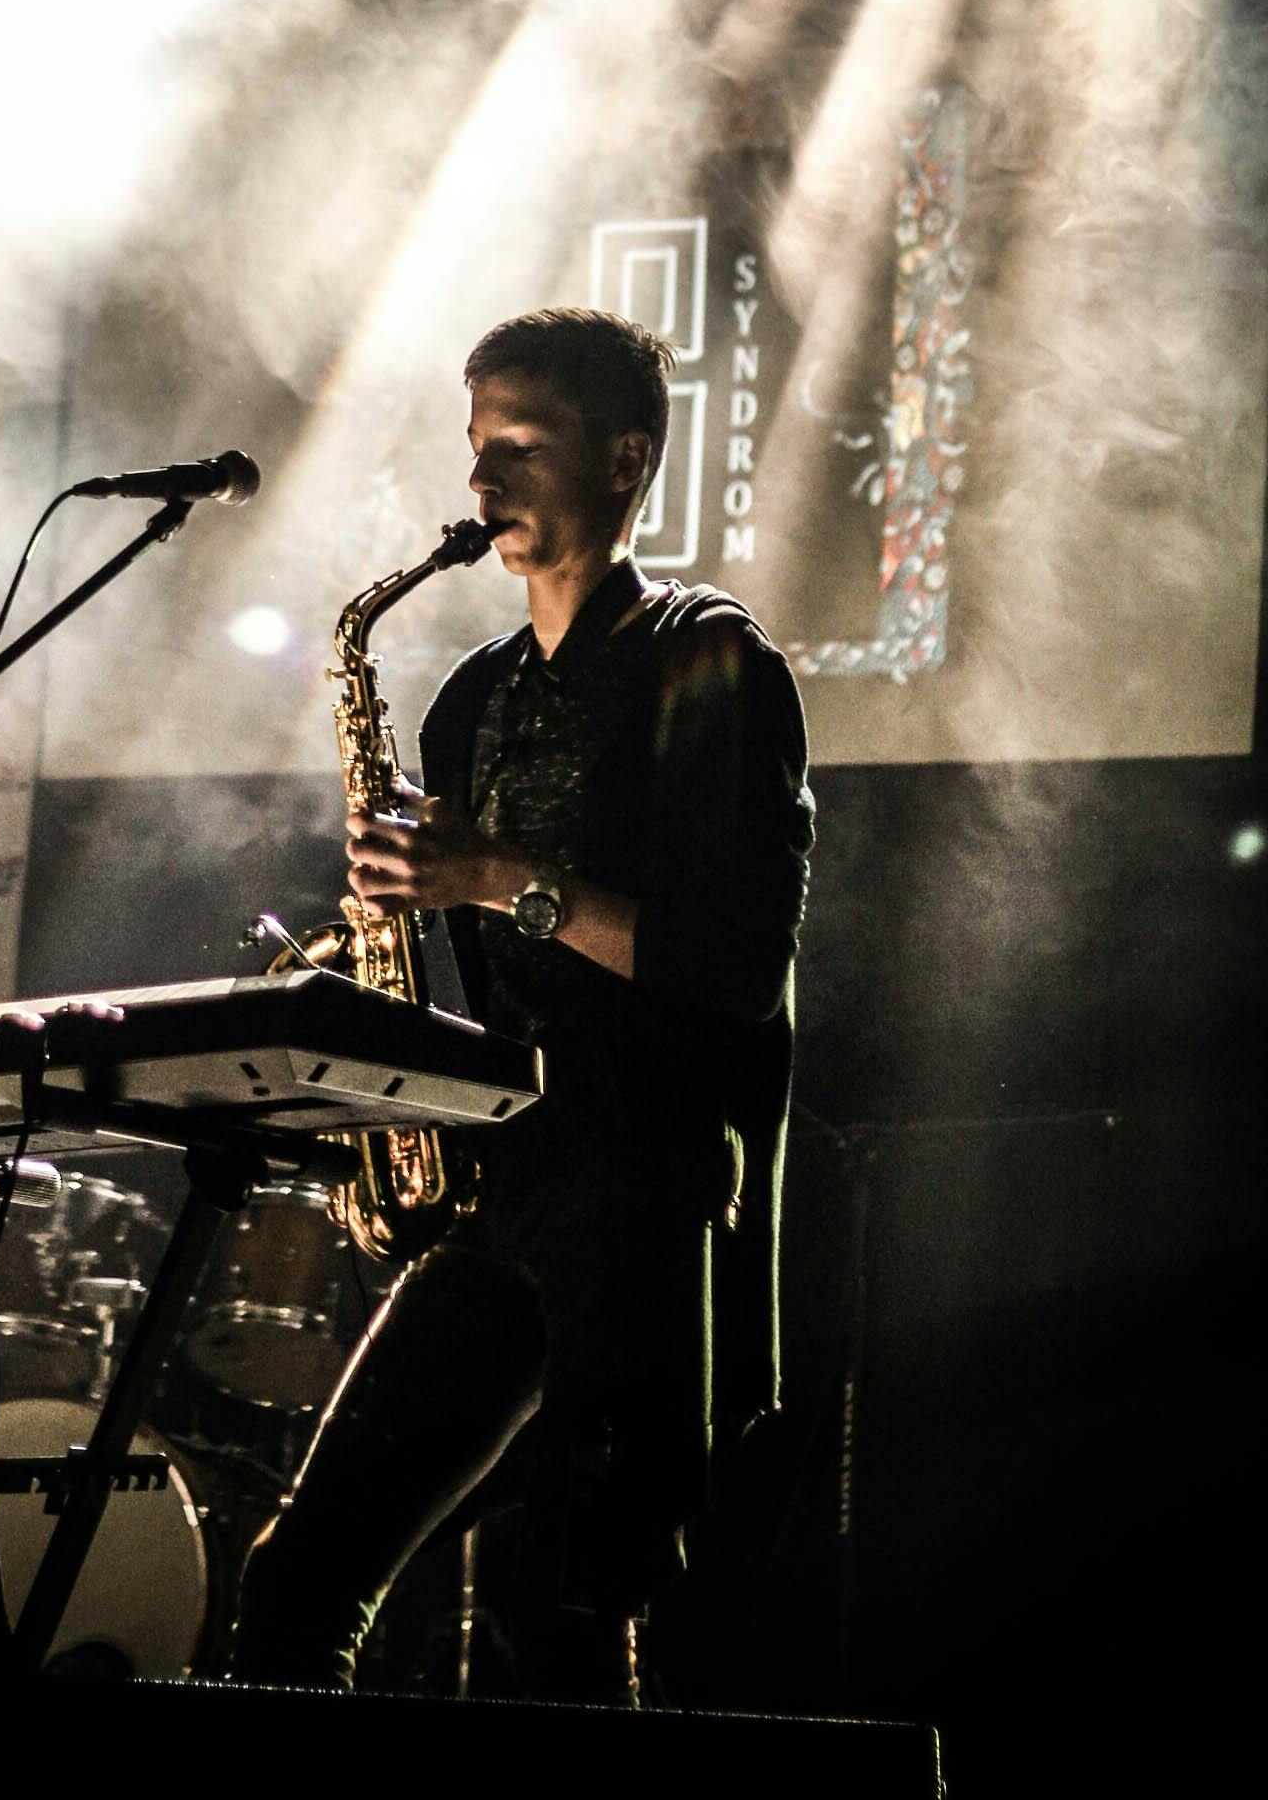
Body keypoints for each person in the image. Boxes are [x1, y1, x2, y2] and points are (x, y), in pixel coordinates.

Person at [231, 305, 814, 1703]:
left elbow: (724, 962)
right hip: (500, 1194)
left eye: (519, 447)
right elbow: (474, 975)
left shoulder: (705, 657)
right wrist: (385, 954)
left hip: (639, 1203)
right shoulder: (468, 700)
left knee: (565, 1625)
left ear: (620, 462)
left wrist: (492, 872)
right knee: (296, 1581)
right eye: (476, 445)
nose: (480, 483)